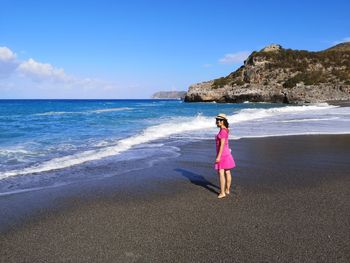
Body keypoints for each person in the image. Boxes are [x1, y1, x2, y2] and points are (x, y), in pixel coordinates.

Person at [215, 113, 236, 199]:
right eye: (217, 120)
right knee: (227, 172)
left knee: (221, 172)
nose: (217, 121)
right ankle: (227, 190)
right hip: (227, 153)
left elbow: (222, 144)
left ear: (223, 121)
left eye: (220, 120)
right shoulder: (225, 129)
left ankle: (223, 192)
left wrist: (218, 156)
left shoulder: (223, 131)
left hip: (223, 154)